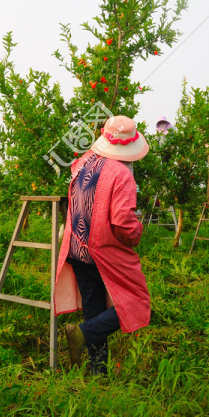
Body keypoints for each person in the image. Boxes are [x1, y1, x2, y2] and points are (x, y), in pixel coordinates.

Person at [54, 115, 151, 375]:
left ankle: (98, 372)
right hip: (102, 252)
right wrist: (137, 232)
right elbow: (123, 222)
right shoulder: (121, 174)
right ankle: (82, 333)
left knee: (94, 308)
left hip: (76, 249)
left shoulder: (83, 162)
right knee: (137, 302)